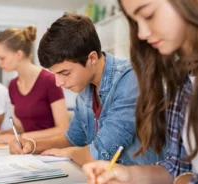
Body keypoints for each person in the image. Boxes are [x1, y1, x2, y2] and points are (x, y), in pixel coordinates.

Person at [9, 13, 166, 166]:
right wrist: (33, 144)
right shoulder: (85, 86)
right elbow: (72, 138)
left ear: (91, 58)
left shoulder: (130, 78)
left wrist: (70, 152)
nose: (58, 82)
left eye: (65, 72)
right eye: (55, 74)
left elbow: (99, 154)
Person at [82, 0, 198, 184]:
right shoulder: (183, 79)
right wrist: (128, 175)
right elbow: (178, 168)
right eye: (135, 21)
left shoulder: (125, 79)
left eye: (149, 15)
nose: (142, 33)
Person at [0, 26, 69, 143]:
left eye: (2, 58)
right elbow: (20, 128)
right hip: (28, 149)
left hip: (51, 150)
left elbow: (62, 129)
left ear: (19, 54)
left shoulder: (50, 81)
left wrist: (21, 138)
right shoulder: (12, 86)